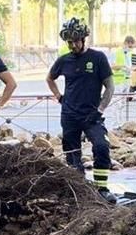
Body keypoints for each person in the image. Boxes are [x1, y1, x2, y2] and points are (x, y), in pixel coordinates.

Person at [45, 18, 115, 198]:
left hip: (92, 114)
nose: (73, 45)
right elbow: (50, 78)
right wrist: (59, 97)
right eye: (69, 42)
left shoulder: (97, 58)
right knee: (72, 152)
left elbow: (110, 87)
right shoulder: (64, 60)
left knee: (101, 146)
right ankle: (79, 189)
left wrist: (100, 110)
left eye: (76, 41)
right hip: (69, 115)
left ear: (84, 39)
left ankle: (102, 188)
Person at [113, 36, 136, 118]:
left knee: (123, 104)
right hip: (118, 81)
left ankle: (121, 122)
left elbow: (133, 66)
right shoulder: (116, 52)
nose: (131, 48)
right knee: (117, 103)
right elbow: (112, 66)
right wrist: (122, 66)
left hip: (127, 80)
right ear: (126, 43)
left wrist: (132, 69)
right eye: (130, 46)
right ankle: (116, 124)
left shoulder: (131, 53)